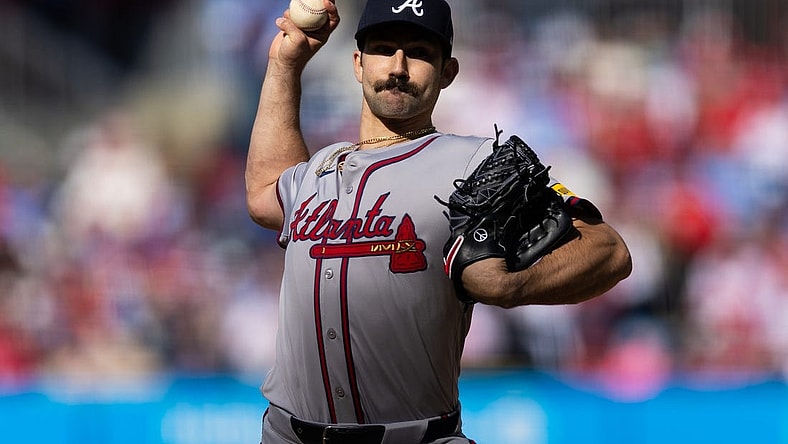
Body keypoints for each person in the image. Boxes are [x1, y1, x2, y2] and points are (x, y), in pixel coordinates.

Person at [245, 0, 632, 442]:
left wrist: (512, 286)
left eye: (419, 52)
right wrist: (284, 65)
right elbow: (263, 193)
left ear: (448, 71)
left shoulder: (477, 162)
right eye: (383, 48)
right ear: (357, 63)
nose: (398, 66)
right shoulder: (319, 167)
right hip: (288, 435)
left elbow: (610, 250)